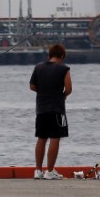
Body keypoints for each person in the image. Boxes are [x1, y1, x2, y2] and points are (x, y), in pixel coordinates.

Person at [30, 43, 73, 180]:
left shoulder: (38, 67)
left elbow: (32, 86)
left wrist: (43, 92)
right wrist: (62, 95)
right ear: (62, 56)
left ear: (49, 55)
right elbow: (69, 88)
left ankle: (38, 170)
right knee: (55, 138)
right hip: (57, 108)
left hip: (41, 109)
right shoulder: (64, 68)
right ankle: (49, 171)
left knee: (41, 138)